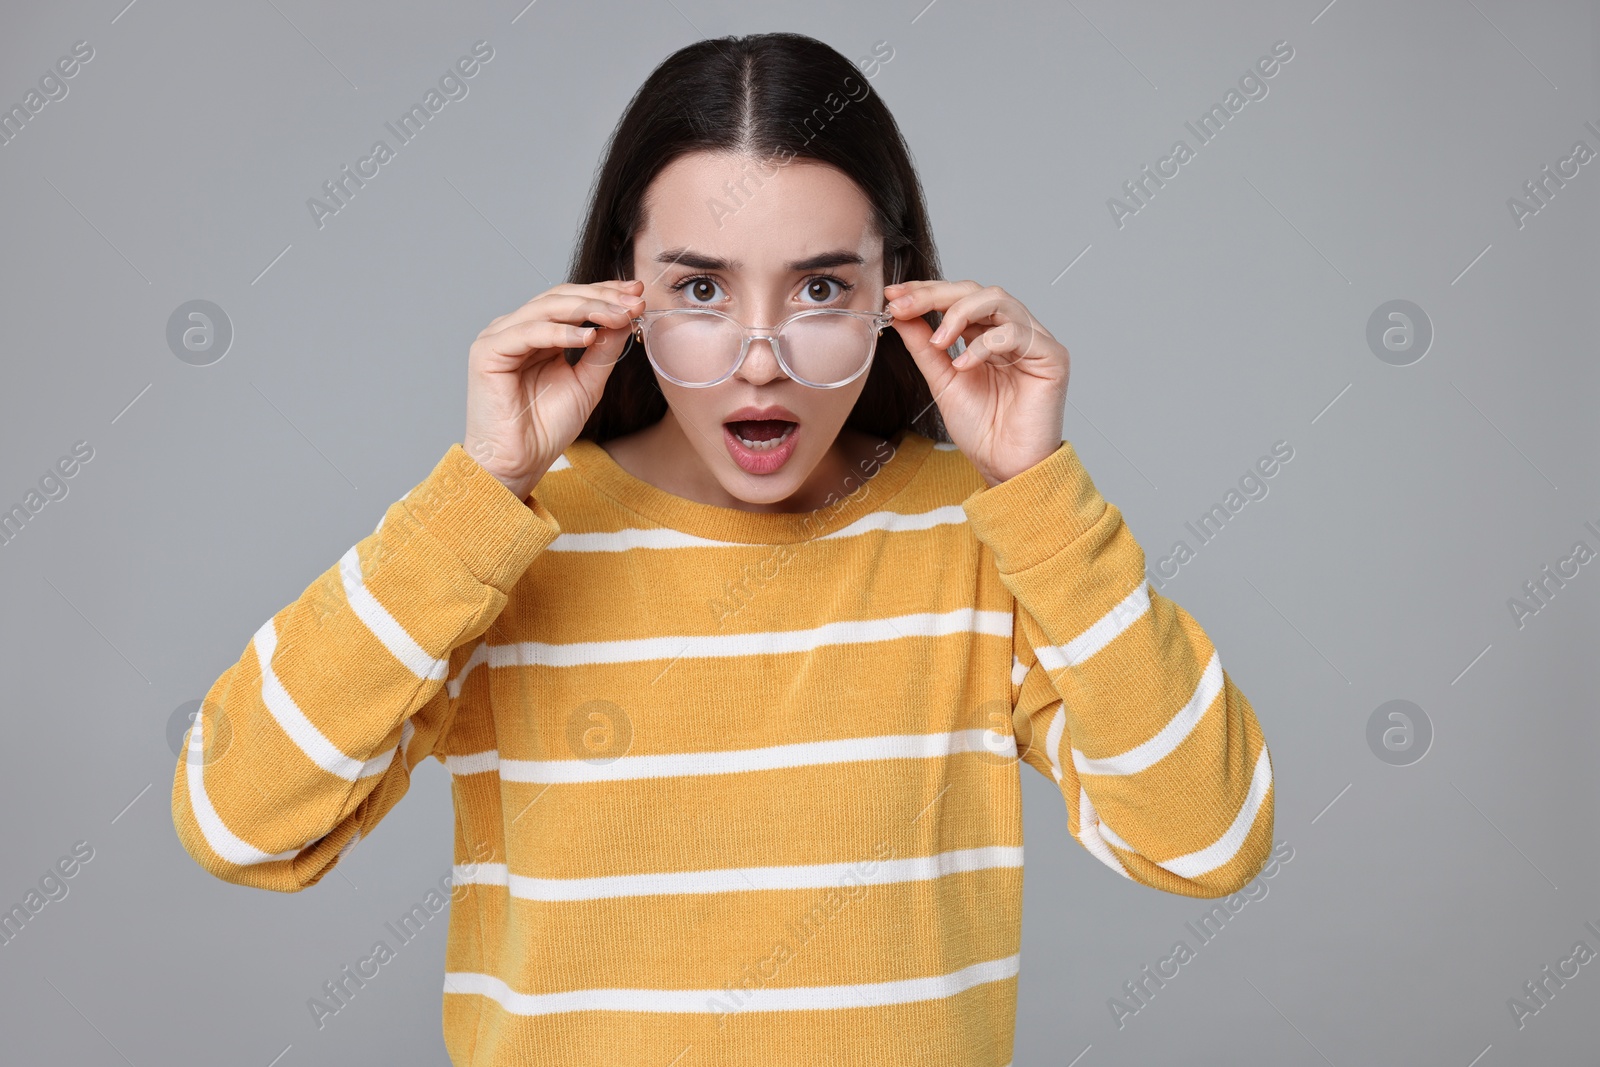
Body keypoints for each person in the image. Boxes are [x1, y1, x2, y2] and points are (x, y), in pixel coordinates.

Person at [171, 30, 1274, 1066]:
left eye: (821, 288)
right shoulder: (504, 542)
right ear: (624, 293)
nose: (760, 360)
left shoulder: (982, 539)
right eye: (701, 288)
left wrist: (1039, 495)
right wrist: (479, 492)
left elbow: (1206, 839)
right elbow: (242, 820)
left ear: (895, 292)